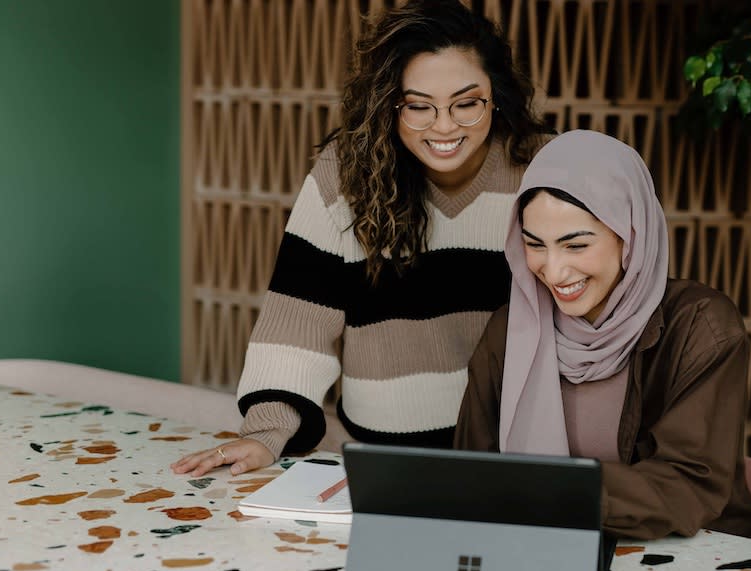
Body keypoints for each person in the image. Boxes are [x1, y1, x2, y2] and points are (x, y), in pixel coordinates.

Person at [172, 0, 552, 477]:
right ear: (388, 103)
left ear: (495, 95)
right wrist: (267, 433)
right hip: (381, 462)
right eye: (418, 106)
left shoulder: (542, 167)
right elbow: (298, 320)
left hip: (515, 455)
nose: (445, 126)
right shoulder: (345, 173)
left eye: (466, 103)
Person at [453, 130, 751, 541]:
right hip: (549, 553)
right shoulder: (510, 331)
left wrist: (549, 492)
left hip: (689, 559)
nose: (554, 270)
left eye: (576, 245)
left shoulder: (700, 327)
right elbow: (470, 469)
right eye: (535, 245)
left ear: (629, 234)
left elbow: (688, 485)